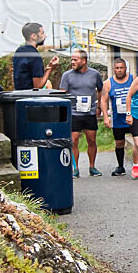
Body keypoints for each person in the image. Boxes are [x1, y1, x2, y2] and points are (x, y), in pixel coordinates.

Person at [59, 49, 104, 178]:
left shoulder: (94, 74)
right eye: (72, 59)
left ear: (84, 61)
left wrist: (98, 105)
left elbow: (100, 90)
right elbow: (62, 93)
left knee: (92, 140)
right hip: (73, 112)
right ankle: (75, 168)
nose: (72, 62)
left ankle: (92, 167)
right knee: (73, 140)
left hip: (89, 112)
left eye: (75, 60)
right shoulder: (67, 75)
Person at [100, 58, 133, 176]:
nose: (119, 70)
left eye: (121, 68)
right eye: (117, 68)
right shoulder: (108, 83)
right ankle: (120, 166)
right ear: (114, 69)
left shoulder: (133, 79)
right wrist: (105, 117)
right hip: (117, 118)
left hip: (132, 117)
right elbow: (103, 100)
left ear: (126, 68)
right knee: (119, 143)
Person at [12, 22, 59, 90]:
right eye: (42, 33)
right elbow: (38, 85)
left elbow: (25, 75)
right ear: (33, 36)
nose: (45, 36)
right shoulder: (34, 55)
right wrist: (51, 68)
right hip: (30, 97)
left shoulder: (19, 51)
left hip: (19, 95)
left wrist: (48, 67)